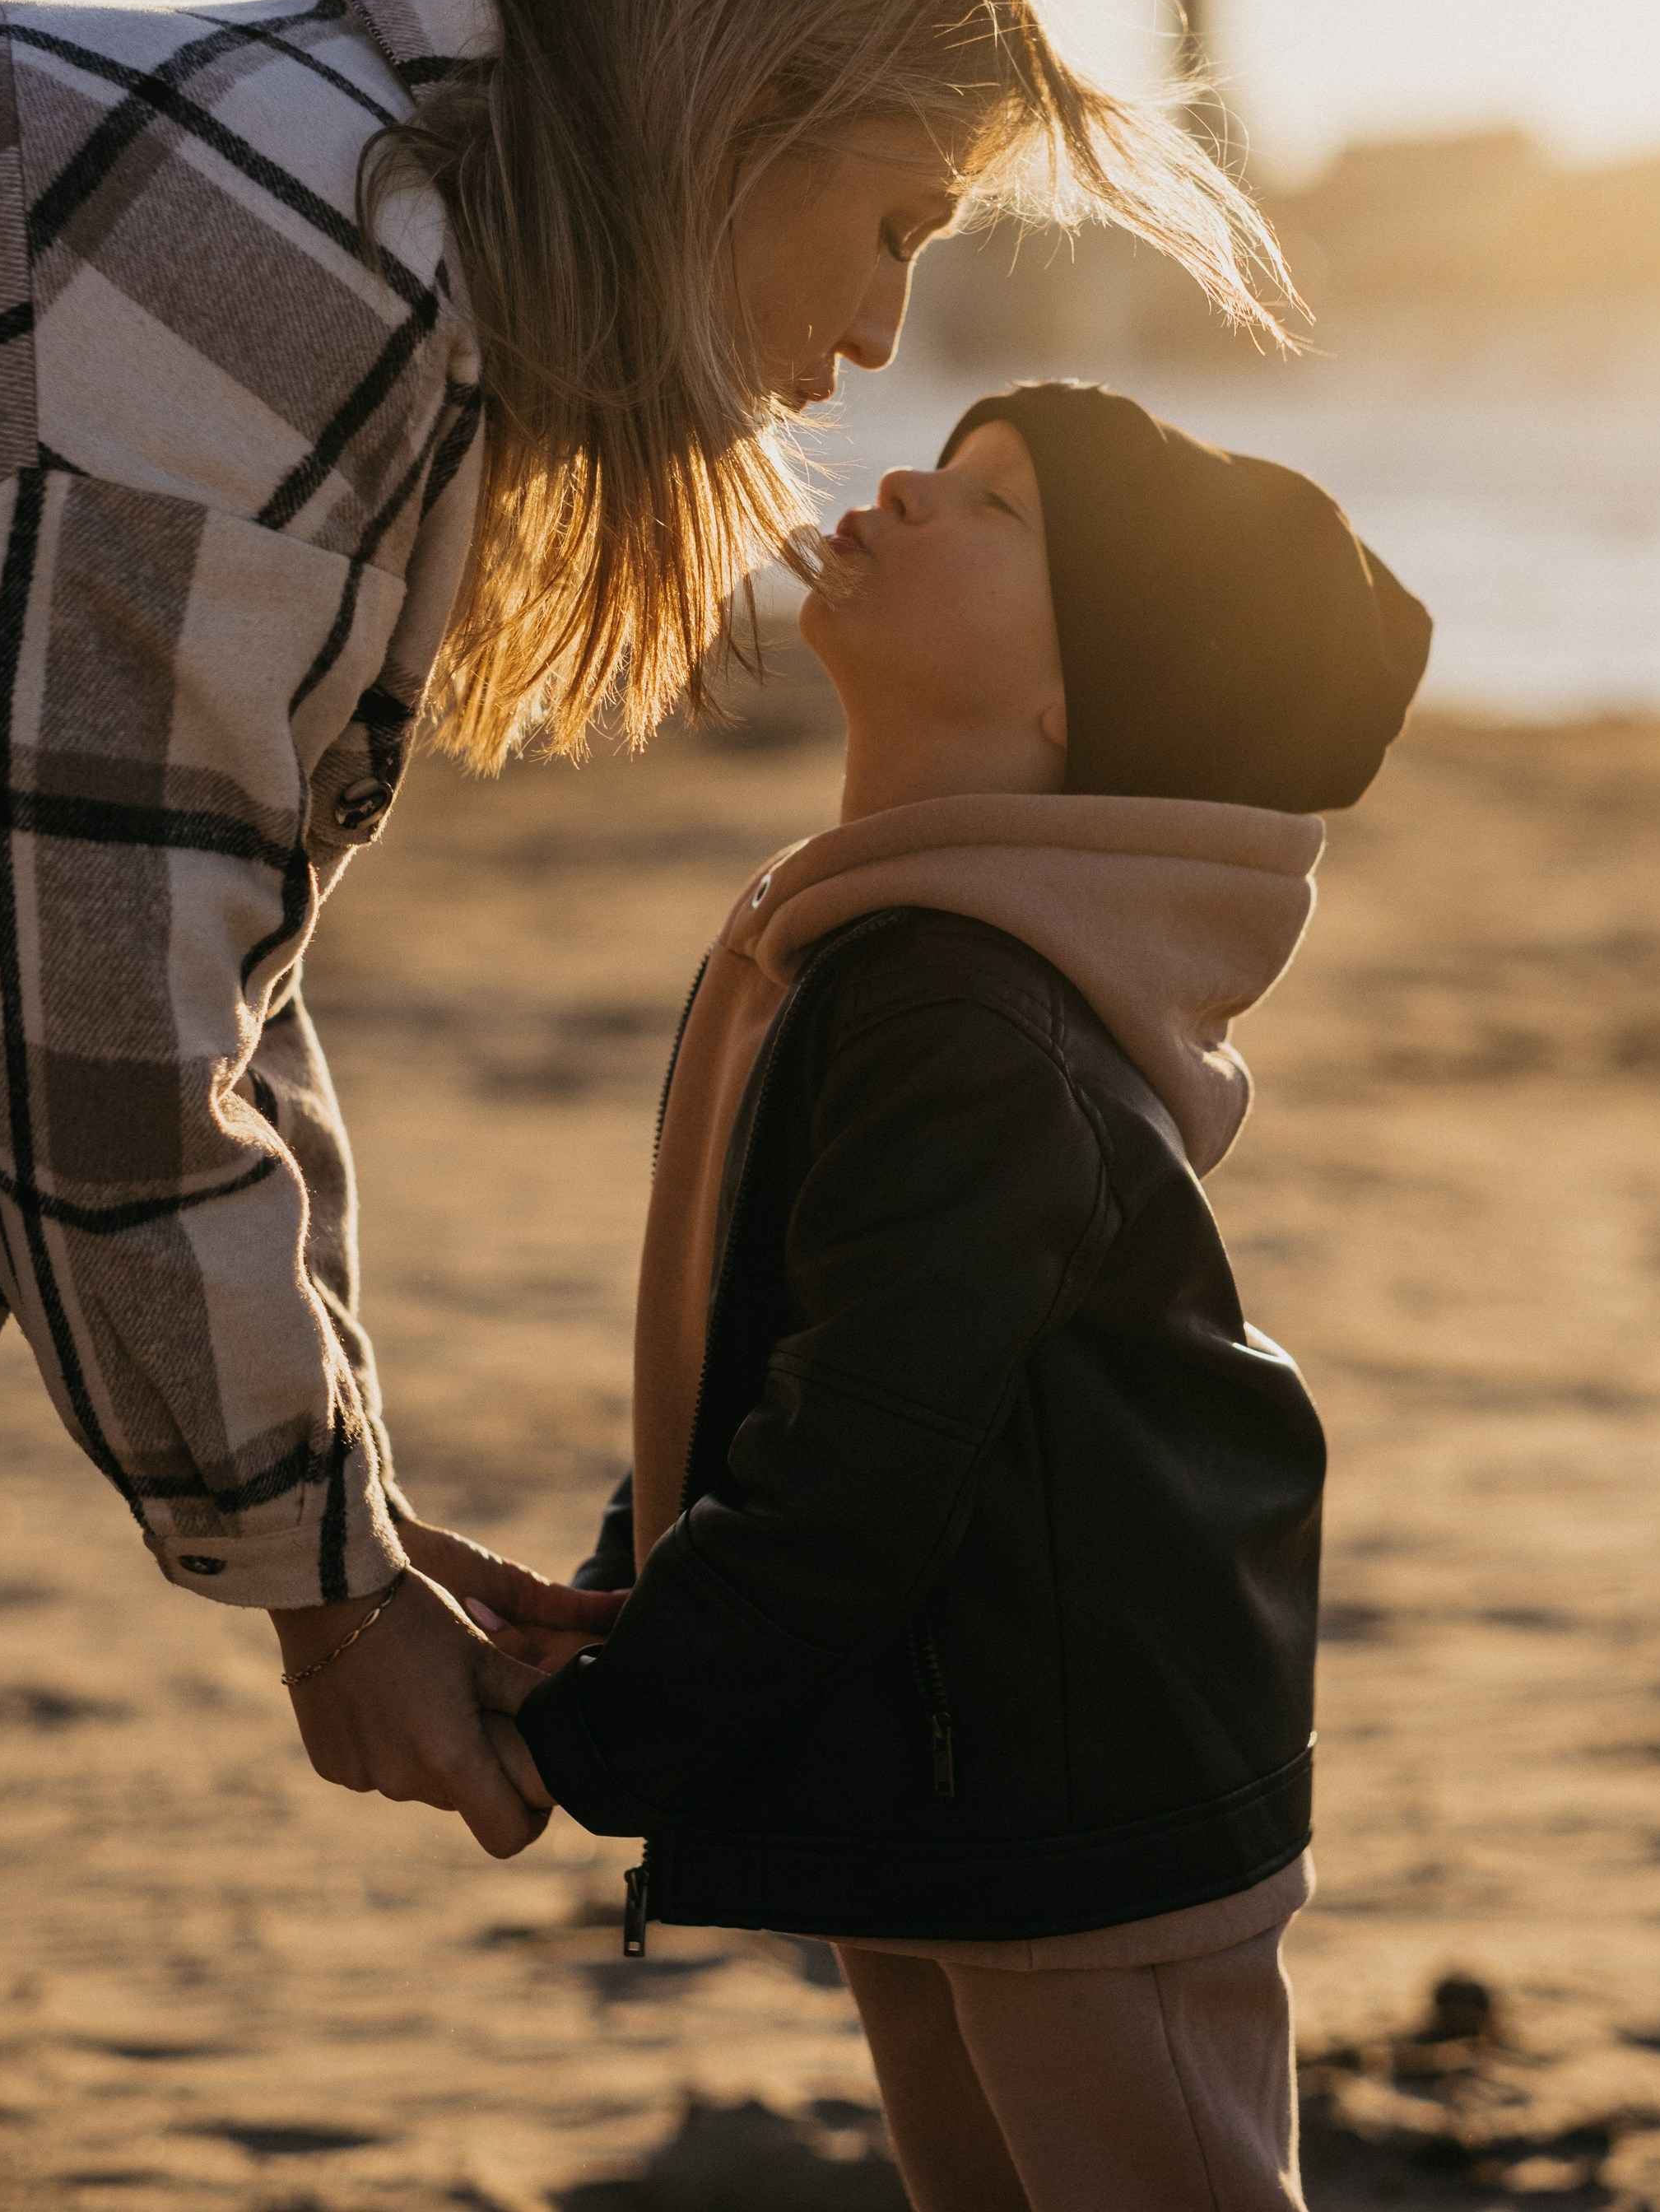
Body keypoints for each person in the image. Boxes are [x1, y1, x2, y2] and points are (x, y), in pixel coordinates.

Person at [0, 0, 1286, 1860]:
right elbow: (94, 1040)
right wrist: (326, 1599)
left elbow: (197, 962)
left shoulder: (327, 215)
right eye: (896, 216)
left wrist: (335, 1507)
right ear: (747, 105)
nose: (872, 334)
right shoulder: (287, 289)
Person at [505, 383, 1432, 2208]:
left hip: (1085, 1809)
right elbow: (777, 1354)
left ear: (1078, 702)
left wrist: (592, 1732)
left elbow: (858, 1465)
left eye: (1001, 511)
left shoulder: (966, 1007)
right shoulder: (886, 946)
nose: (914, 482)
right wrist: (631, 1586)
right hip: (952, 1770)